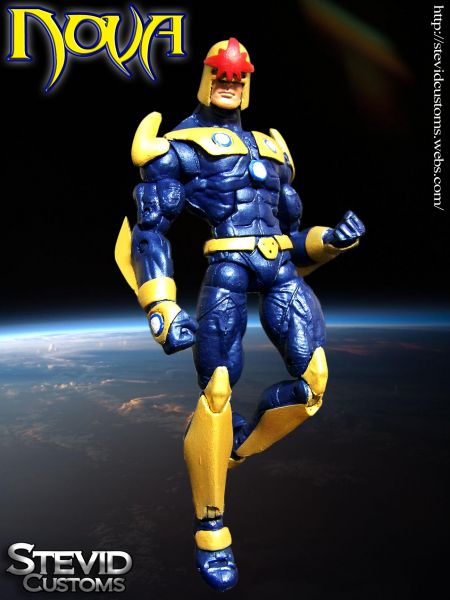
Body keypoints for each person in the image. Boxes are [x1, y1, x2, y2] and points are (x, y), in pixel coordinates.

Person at [115, 37, 365, 592]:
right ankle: (211, 530)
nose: (229, 82)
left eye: (238, 75)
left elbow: (292, 239)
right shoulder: (178, 148)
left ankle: (232, 449)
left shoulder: (273, 152)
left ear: (247, 82)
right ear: (207, 77)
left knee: (314, 384)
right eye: (221, 74)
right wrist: (161, 307)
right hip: (226, 268)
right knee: (218, 390)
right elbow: (149, 231)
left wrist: (330, 241)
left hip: (279, 270)